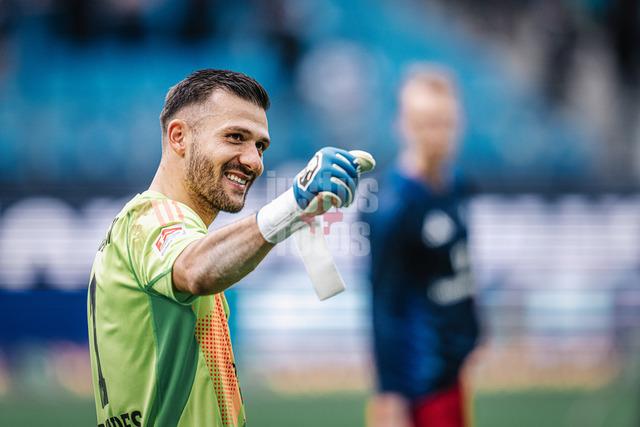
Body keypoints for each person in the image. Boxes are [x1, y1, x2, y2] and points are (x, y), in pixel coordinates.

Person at [87, 69, 371, 427]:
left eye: (260, 146)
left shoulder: (161, 229)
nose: (254, 161)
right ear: (179, 137)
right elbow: (194, 270)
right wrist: (291, 205)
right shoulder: (150, 218)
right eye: (235, 137)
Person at [363, 65, 479, 427]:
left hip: (452, 370)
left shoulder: (455, 184)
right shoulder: (390, 206)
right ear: (403, 124)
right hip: (420, 380)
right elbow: (384, 304)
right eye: (425, 122)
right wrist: (390, 394)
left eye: (445, 122)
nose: (437, 134)